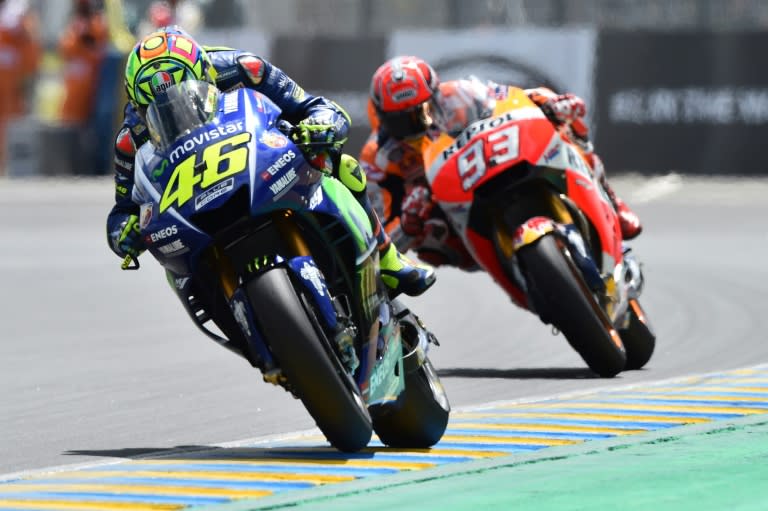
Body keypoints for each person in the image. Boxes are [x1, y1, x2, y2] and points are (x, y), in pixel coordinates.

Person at [106, 26, 434, 297]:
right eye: (157, 106)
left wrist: (322, 127)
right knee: (175, 271)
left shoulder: (244, 69)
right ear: (137, 103)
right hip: (194, 200)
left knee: (343, 165)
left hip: (259, 161)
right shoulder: (130, 136)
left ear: (204, 72)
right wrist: (125, 232)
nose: (173, 109)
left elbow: (314, 107)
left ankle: (388, 259)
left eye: (181, 94)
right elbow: (123, 210)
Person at [360, 56, 642, 269]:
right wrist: (408, 225)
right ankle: (504, 259)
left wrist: (544, 102)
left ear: (434, 95)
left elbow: (507, 100)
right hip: (445, 211)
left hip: (490, 161)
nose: (414, 124)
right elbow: (379, 238)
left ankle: (612, 202)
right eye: (400, 119)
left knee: (559, 118)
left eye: (420, 111)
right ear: (381, 117)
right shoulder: (377, 159)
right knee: (431, 242)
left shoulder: (458, 94)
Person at [0, 0, 41, 174]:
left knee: (11, 124)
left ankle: (9, 165)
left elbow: (30, 43)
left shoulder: (18, 10)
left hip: (13, 83)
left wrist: (28, 75)